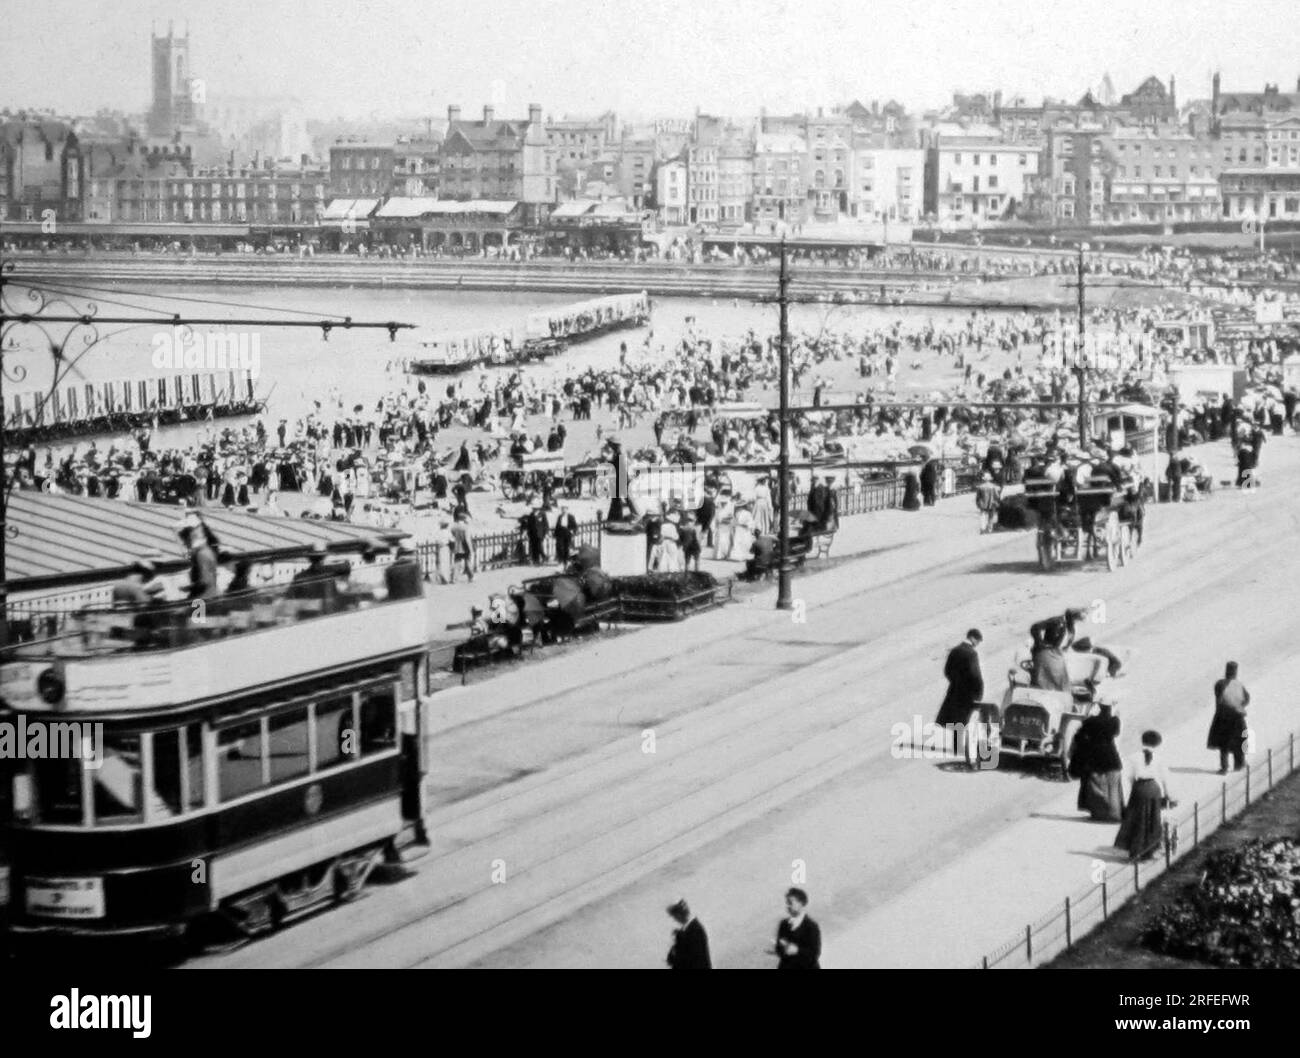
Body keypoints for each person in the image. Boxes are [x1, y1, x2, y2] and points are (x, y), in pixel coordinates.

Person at [1114, 731, 1175, 862]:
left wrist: (1133, 789)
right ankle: (1149, 851)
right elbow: (1165, 779)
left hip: (1139, 789)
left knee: (1136, 819)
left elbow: (1129, 777)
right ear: (1158, 743)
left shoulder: (1133, 757)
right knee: (1153, 820)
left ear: (1142, 741)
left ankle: (1134, 850)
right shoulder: (1159, 758)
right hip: (1153, 789)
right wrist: (1169, 795)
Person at [1069, 696, 1124, 821]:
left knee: (1095, 787)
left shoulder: (1091, 721)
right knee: (1113, 788)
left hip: (1094, 757)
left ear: (1099, 707)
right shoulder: (1114, 721)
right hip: (1111, 757)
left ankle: (1099, 814)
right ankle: (1114, 814)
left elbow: (1080, 736)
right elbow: (1116, 733)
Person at [1206, 661, 1249, 774]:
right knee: (1239, 741)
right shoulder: (1238, 685)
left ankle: (1224, 768)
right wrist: (1239, 706)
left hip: (1223, 717)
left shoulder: (1220, 684)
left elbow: (1219, 698)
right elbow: (1247, 699)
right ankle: (1239, 765)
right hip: (1238, 716)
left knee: (1224, 742)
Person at [936, 628, 983, 730]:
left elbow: (947, 670)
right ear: (972, 638)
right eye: (978, 641)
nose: (977, 644)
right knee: (961, 724)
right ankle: (957, 745)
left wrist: (955, 682)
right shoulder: (971, 654)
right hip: (967, 695)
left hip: (953, 691)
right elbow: (975, 676)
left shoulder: (955, 650)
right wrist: (978, 695)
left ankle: (954, 744)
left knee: (951, 722)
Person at [773, 888, 821, 969]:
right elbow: (778, 949)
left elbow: (815, 954)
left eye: (790, 903)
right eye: (787, 903)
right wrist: (783, 949)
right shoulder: (783, 924)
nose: (787, 906)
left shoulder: (812, 926)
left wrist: (797, 950)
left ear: (801, 903)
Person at [665, 898, 711, 970]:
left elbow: (694, 959)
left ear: (679, 914)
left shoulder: (695, 930)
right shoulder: (688, 930)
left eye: (674, 916)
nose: (674, 919)